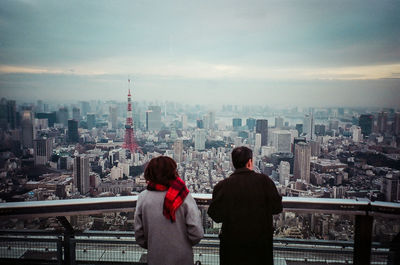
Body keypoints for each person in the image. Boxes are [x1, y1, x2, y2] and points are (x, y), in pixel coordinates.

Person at [208, 146, 282, 265]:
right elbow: (277, 208)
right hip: (260, 248)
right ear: (249, 162)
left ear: (233, 163)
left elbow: (215, 215)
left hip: (232, 249)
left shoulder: (222, 186)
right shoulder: (265, 182)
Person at [134, 156, 204, 265]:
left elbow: (139, 235)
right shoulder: (183, 196)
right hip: (182, 259)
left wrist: (154, 244)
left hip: (155, 258)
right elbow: (197, 233)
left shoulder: (143, 198)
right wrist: (184, 244)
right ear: (172, 172)